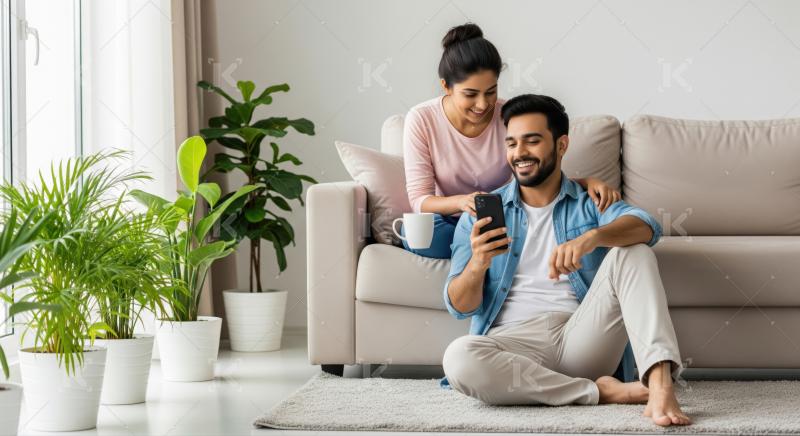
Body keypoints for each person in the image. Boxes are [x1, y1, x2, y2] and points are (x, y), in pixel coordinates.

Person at [440, 93, 690, 427]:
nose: (520, 153)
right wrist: (478, 263)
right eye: (512, 143)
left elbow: (648, 227)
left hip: (581, 336)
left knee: (635, 251)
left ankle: (660, 385)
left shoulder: (591, 201)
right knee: (458, 357)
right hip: (513, 345)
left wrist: (592, 237)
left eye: (532, 141)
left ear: (561, 145)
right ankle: (602, 393)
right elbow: (460, 306)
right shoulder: (481, 214)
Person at [401, 23, 620, 259]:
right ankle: (482, 251)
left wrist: (586, 182)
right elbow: (420, 199)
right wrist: (463, 202)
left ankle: (483, 253)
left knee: (526, 231)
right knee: (421, 237)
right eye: (470, 94)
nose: (483, 105)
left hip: (502, 219)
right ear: (446, 86)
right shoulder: (422, 119)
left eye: (491, 91)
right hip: (448, 221)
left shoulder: (508, 115)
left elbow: (535, 177)